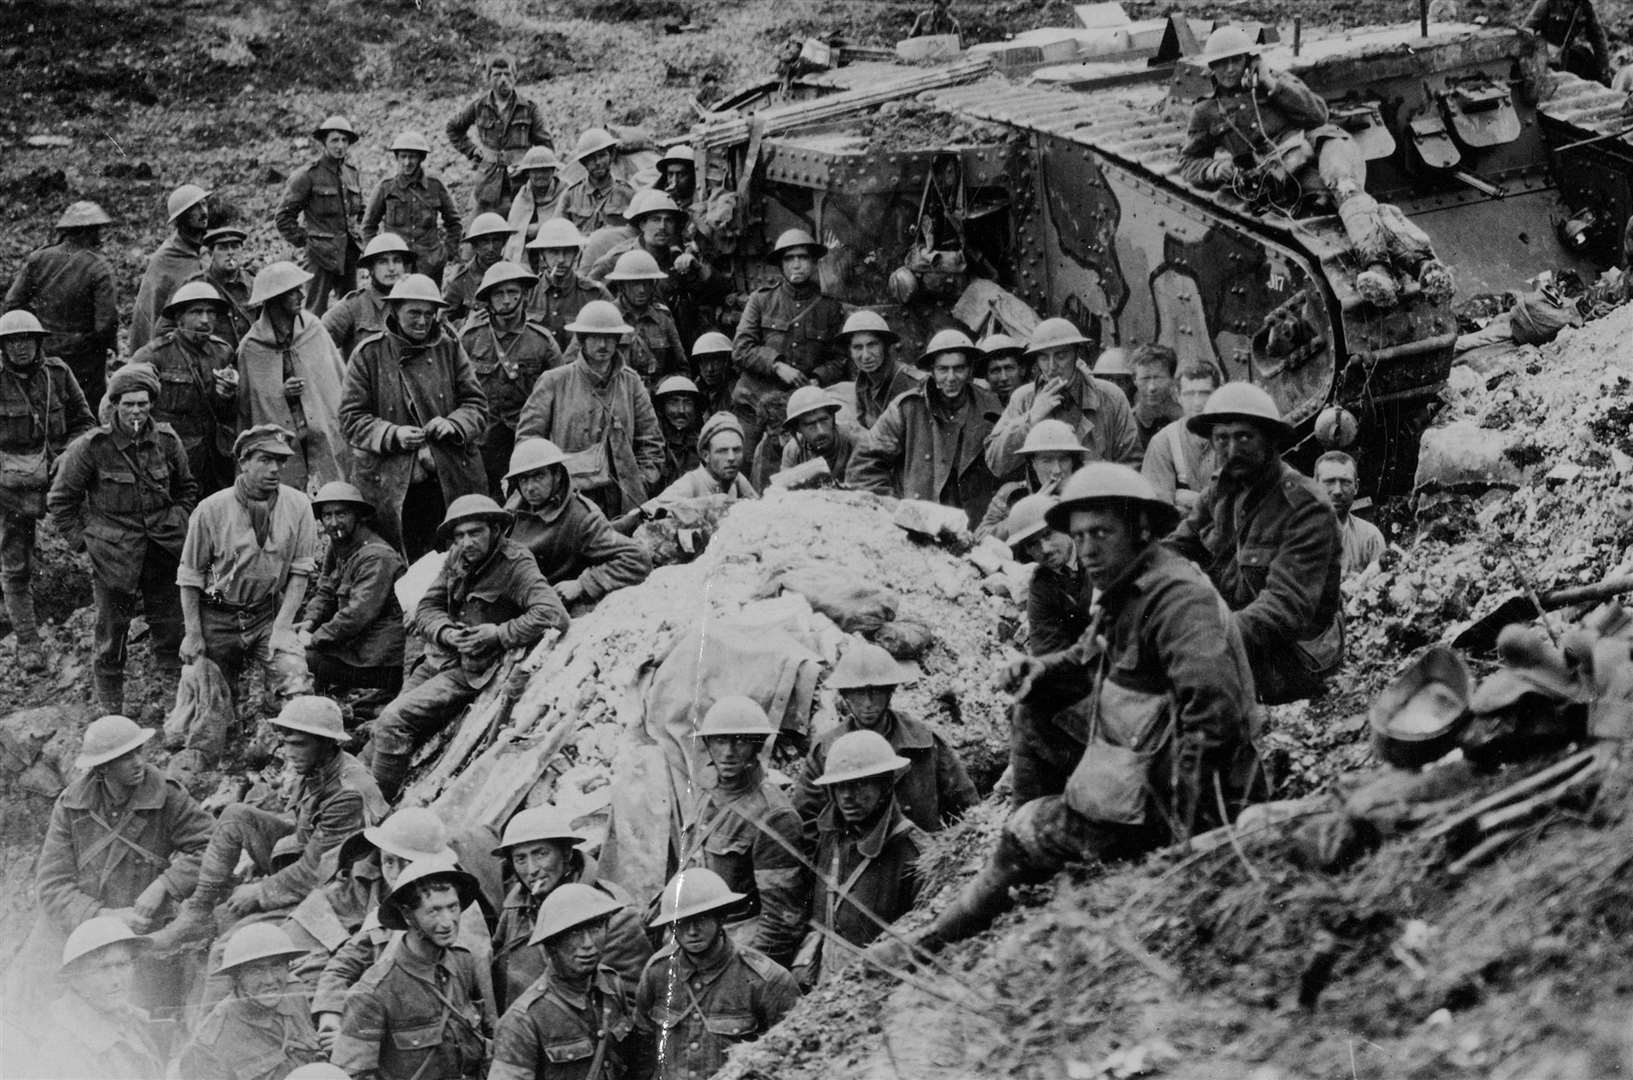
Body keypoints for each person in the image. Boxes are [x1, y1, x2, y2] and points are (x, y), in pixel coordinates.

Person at [870, 464, 1260, 963]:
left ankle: (933, 941)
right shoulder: (1129, 588)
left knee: (1026, 830)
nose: (1089, 549)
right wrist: (1039, 669)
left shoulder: (1179, 601)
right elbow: (1083, 659)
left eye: (1101, 533)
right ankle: (1031, 856)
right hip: (1150, 773)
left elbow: (1214, 717)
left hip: (1193, 802)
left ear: (1141, 529)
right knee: (1035, 712)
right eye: (1080, 536)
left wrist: (1183, 845)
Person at [1179, 27, 1451, 308]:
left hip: (1321, 144)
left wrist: (1271, 84)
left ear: (1250, 60)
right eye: (1222, 63)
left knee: (1344, 185)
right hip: (1287, 174)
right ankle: (1424, 266)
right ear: (1211, 68)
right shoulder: (1206, 112)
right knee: (1349, 205)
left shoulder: (1276, 82)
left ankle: (1379, 268)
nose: (1230, 69)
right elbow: (1188, 162)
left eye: (1237, 60)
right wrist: (1213, 169)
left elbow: (1318, 115)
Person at [146, 696, 386, 951]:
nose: (290, 753)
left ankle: (207, 924)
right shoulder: (318, 767)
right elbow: (302, 824)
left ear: (327, 743)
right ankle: (197, 910)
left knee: (233, 935)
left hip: (339, 886)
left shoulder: (347, 792)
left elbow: (316, 871)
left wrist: (261, 891)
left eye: (300, 745)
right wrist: (257, 851)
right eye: (287, 744)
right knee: (235, 815)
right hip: (309, 858)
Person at [370, 495, 569, 801]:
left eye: (475, 532)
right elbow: (427, 608)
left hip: (474, 669)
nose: (467, 542)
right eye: (460, 535)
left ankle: (376, 809)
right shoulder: (456, 557)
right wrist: (446, 633)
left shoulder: (515, 563)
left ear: (494, 530)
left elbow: (553, 614)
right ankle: (350, 799)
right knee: (379, 731)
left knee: (393, 721)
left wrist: (498, 634)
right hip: (439, 658)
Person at [1167, 382, 1343, 704]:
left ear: (1270, 439)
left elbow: (1284, 609)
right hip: (1239, 634)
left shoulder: (1305, 505)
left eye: (1244, 437)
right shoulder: (1223, 490)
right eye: (1222, 438)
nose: (1232, 451)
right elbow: (1179, 545)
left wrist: (1204, 641)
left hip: (1292, 659)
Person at [31, 715, 210, 1017]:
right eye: (125, 757)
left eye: (139, 751)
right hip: (80, 923)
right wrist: (104, 916)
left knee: (151, 1010)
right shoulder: (71, 805)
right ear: (102, 768)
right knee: (32, 992)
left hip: (143, 924)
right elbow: (51, 885)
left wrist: (163, 885)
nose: (138, 762)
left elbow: (213, 846)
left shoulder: (166, 795)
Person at [48, 364, 195, 711]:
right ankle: (111, 709)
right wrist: (85, 542)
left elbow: (187, 487)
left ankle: (175, 703)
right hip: (114, 555)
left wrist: (177, 519)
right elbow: (61, 500)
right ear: (114, 405)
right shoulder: (91, 448)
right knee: (111, 634)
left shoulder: (168, 442)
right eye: (128, 404)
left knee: (170, 626)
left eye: (143, 404)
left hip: (162, 548)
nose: (136, 412)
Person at [339, 273, 490, 560]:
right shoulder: (368, 355)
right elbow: (350, 418)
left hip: (447, 472)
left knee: (455, 553)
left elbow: (477, 405)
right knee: (399, 557)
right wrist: (391, 434)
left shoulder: (450, 348)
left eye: (429, 314)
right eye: (414, 313)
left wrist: (453, 423)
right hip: (391, 480)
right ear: (395, 311)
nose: (422, 321)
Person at [174, 425, 317, 727]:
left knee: (295, 675)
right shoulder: (210, 510)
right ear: (244, 462)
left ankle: (288, 741)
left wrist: (282, 627)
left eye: (280, 461)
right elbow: (190, 577)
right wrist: (193, 634)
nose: (275, 469)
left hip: (266, 616)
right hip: (217, 618)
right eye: (265, 460)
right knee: (211, 712)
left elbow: (300, 572)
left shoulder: (299, 506)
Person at [673, 697, 808, 967]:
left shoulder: (773, 815)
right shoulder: (706, 793)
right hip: (695, 937)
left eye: (740, 741)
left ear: (757, 746)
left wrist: (748, 977)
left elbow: (781, 921)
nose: (728, 753)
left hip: (738, 946)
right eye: (720, 742)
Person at [332, 857, 495, 1080]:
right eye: (434, 911)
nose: (448, 922)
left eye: (453, 907)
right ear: (408, 915)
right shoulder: (373, 993)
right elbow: (353, 1074)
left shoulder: (462, 963)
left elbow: (484, 1040)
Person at [791, 640, 976, 835]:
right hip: (855, 861)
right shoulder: (825, 750)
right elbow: (805, 822)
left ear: (890, 691)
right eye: (858, 693)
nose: (868, 703)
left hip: (915, 857)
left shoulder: (923, 741)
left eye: (876, 691)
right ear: (845, 695)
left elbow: (966, 808)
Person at [636, 867, 800, 1080]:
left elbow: (795, 1056)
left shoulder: (767, 980)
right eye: (681, 922)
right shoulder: (658, 972)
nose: (692, 931)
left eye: (701, 918)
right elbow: (643, 1044)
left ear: (720, 917)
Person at [792, 730, 926, 988]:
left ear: (885, 785)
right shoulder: (831, 837)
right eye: (839, 786)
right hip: (822, 981)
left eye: (859, 784)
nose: (846, 796)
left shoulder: (913, 852)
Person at [0, 310, 94, 672]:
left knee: (97, 542)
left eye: (27, 339)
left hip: (61, 481)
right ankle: (28, 644)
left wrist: (70, 454)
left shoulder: (58, 374)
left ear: (39, 342)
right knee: (16, 566)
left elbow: (85, 421)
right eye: (12, 341)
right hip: (13, 489)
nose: (20, 347)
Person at [489, 807, 651, 1013]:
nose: (531, 870)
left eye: (541, 854)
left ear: (566, 853)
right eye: (520, 859)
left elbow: (632, 1004)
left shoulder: (613, 913)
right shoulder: (514, 913)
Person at [514, 299, 663, 519]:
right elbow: (528, 442)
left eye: (609, 337)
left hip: (622, 500)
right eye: (594, 337)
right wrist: (552, 489)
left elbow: (651, 442)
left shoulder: (631, 383)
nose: (603, 345)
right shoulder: (555, 381)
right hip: (568, 500)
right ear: (582, 340)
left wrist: (640, 482)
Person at [490, 884, 655, 1080]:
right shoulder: (523, 1020)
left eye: (595, 928)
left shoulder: (611, 985)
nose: (588, 944)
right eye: (574, 933)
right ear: (551, 944)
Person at [847, 329, 1003, 528]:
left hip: (976, 525)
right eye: (943, 369)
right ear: (932, 370)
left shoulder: (990, 407)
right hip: (922, 525)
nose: (951, 377)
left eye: (959, 368)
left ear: (970, 370)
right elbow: (863, 467)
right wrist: (896, 509)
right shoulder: (908, 408)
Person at [236, 261, 352, 495]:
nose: (301, 295)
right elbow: (250, 407)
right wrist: (281, 393)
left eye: (300, 289)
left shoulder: (314, 330)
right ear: (275, 300)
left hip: (321, 431)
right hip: (283, 438)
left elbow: (335, 383)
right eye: (292, 292)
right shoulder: (251, 347)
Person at [731, 228, 846, 452]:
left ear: (813, 263)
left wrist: (816, 379)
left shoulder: (829, 308)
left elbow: (840, 359)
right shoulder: (761, 300)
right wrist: (776, 365)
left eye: (803, 258)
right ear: (781, 265)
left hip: (801, 410)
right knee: (741, 463)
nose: (796, 264)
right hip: (753, 405)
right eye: (789, 258)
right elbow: (741, 348)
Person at [984, 317, 1142, 480]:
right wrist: (1030, 420)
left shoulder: (1110, 396)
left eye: (1061, 356)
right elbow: (996, 464)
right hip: (1044, 499)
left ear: (1076, 355)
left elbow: (1132, 463)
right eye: (1044, 357)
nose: (1052, 367)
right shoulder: (1024, 398)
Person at [503, 438, 651, 606]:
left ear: (557, 475)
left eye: (539, 476)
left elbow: (637, 558)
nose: (530, 487)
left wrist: (582, 584)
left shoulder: (582, 516)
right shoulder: (514, 507)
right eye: (523, 479)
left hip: (544, 605)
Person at [458, 260, 563, 492]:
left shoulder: (542, 341)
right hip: (482, 440)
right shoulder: (470, 338)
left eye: (513, 293)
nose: (506, 300)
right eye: (499, 294)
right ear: (488, 299)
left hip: (527, 439)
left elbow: (561, 393)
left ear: (524, 296)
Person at [297, 481, 406, 702]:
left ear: (357, 516)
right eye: (327, 516)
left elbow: (358, 615)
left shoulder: (377, 556)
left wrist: (314, 638)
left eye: (341, 514)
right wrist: (309, 622)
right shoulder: (339, 546)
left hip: (380, 661)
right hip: (356, 649)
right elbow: (325, 590)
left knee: (302, 658)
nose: (333, 522)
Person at [127, 279, 239, 493]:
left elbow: (229, 412)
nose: (205, 320)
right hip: (171, 456)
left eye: (211, 312)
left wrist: (227, 395)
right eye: (196, 312)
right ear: (179, 318)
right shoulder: (154, 355)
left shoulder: (223, 352)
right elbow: (125, 404)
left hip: (215, 457)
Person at [172, 924, 325, 1080]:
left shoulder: (294, 993)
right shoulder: (211, 1043)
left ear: (288, 967)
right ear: (237, 977)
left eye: (277, 966)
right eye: (255, 970)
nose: (270, 980)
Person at [3, 199, 118, 407]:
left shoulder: (39, 259)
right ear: (87, 231)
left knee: (45, 405)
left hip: (42, 350)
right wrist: (106, 348)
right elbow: (106, 324)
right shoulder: (98, 268)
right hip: (85, 359)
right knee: (84, 412)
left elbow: (12, 303)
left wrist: (34, 331)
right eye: (96, 230)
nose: (99, 236)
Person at [25, 917, 166, 1080]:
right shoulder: (67, 1048)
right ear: (76, 979)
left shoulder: (131, 1023)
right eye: (103, 968)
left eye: (122, 965)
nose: (116, 980)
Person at [589, 188, 722, 347]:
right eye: (655, 219)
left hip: (672, 347)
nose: (662, 227)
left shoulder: (679, 261)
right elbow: (589, 299)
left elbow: (716, 293)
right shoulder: (617, 260)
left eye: (669, 220)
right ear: (642, 224)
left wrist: (698, 268)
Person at [276, 115, 364, 315]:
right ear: (324, 142)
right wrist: (307, 240)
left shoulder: (352, 173)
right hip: (319, 256)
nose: (340, 145)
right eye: (334, 140)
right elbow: (283, 217)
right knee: (314, 312)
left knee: (352, 310)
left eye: (344, 140)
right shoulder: (307, 175)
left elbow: (360, 210)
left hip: (348, 255)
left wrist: (357, 235)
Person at [445, 54, 553, 215]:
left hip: (522, 182)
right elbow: (453, 128)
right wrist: (471, 150)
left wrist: (528, 165)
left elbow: (546, 146)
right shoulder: (479, 106)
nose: (503, 79)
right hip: (488, 183)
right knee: (479, 230)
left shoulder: (529, 108)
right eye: (497, 75)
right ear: (488, 79)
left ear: (515, 77)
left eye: (507, 74)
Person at [363, 130, 462, 286]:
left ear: (421, 158)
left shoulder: (435, 186)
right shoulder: (386, 188)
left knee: (428, 306)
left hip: (430, 265)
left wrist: (446, 253)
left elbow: (454, 223)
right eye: (403, 156)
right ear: (397, 158)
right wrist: (375, 258)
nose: (407, 162)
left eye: (412, 157)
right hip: (396, 266)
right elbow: (368, 227)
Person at [629, 411, 757, 529]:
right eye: (722, 451)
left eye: (737, 450)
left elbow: (759, 507)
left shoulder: (738, 480)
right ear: (706, 455)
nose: (731, 458)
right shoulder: (691, 482)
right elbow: (646, 511)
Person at [973, 418, 1089, 542]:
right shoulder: (1012, 494)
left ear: (1073, 461)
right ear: (1032, 463)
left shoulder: (1091, 491)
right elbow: (979, 540)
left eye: (1064, 459)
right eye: (1047, 460)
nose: (1057, 469)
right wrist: (1028, 511)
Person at [1005, 492, 1089, 657]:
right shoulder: (1041, 586)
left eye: (1048, 534)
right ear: (1027, 551)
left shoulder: (1101, 554)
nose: (1045, 549)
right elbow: (1047, 650)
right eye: (1033, 544)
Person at [130, 183, 210, 353]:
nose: (204, 212)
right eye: (195, 208)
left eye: (204, 204)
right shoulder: (164, 259)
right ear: (181, 217)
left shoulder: (207, 252)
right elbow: (149, 311)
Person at [523, 216, 613, 350]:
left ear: (576, 253)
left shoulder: (595, 295)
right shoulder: (527, 292)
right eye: (554, 252)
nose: (561, 259)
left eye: (567, 252)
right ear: (542, 254)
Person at [1142, 362, 1222, 511]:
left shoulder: (1232, 438)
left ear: (1217, 394)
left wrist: (1191, 500)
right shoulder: (1164, 441)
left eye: (1205, 393)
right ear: (1177, 396)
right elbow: (1159, 509)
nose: (1197, 402)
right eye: (1189, 394)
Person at [604, 248, 686, 393]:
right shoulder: (606, 317)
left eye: (646, 283)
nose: (642, 290)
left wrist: (665, 385)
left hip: (656, 397)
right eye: (634, 283)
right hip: (618, 395)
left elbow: (681, 369)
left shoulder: (663, 318)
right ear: (621, 285)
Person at [323, 232, 413, 361]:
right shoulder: (353, 306)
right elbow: (318, 344)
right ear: (371, 268)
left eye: (397, 261)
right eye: (383, 262)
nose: (392, 268)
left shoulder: (414, 300)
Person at [178, 226, 256, 351]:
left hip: (250, 359)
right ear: (210, 254)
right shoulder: (195, 285)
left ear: (242, 250)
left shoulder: (253, 283)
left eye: (235, 247)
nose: (230, 252)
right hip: (212, 360)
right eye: (223, 248)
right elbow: (168, 327)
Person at [1314, 450, 1384, 578]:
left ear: (1356, 487)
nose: (1337, 491)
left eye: (1345, 482)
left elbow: (1382, 586)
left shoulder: (1370, 537)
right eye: (1329, 482)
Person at [442, 211, 516, 326]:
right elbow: (443, 322)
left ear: (503, 242)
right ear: (474, 245)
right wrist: (467, 323)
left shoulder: (515, 274)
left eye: (496, 240)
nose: (491, 248)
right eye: (485, 241)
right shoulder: (460, 281)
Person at [558, 127, 634, 233]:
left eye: (602, 155)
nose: (597, 162)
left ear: (611, 156)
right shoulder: (571, 195)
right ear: (583, 163)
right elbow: (558, 231)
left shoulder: (628, 193)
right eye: (591, 158)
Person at [501, 145, 566, 263]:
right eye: (535, 171)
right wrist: (525, 230)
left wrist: (539, 228)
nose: (541, 175)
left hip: (558, 254)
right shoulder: (522, 196)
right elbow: (513, 233)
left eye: (545, 170)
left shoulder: (566, 193)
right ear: (528, 173)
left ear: (553, 171)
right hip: (527, 255)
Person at [779, 384, 855, 480]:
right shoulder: (793, 451)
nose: (820, 431)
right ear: (798, 429)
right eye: (809, 424)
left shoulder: (855, 440)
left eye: (824, 420)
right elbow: (784, 490)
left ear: (833, 417)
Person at [1523, 0, 1611, 83]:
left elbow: (1598, 38)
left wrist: (1604, 71)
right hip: (1541, 57)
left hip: (1564, 58)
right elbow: (1526, 30)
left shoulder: (1584, 6)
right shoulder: (1549, 2)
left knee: (1587, 60)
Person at [652, 374, 704, 488]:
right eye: (673, 402)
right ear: (661, 408)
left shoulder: (701, 446)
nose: (681, 410)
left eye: (687, 402)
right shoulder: (653, 446)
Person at [1129, 343, 1183, 449]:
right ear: (1134, 380)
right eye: (1145, 379)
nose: (1152, 387)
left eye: (1159, 378)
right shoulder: (1128, 425)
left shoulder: (1185, 421)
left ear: (1172, 379)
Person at [689, 330, 736, 416]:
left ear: (727, 361)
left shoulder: (736, 393)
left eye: (716, 361)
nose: (710, 369)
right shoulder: (694, 391)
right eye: (704, 362)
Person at [976, 332, 1027, 408]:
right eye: (995, 371)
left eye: (1009, 368)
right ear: (986, 376)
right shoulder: (981, 410)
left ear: (1022, 370)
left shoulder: (1039, 402)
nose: (1004, 378)